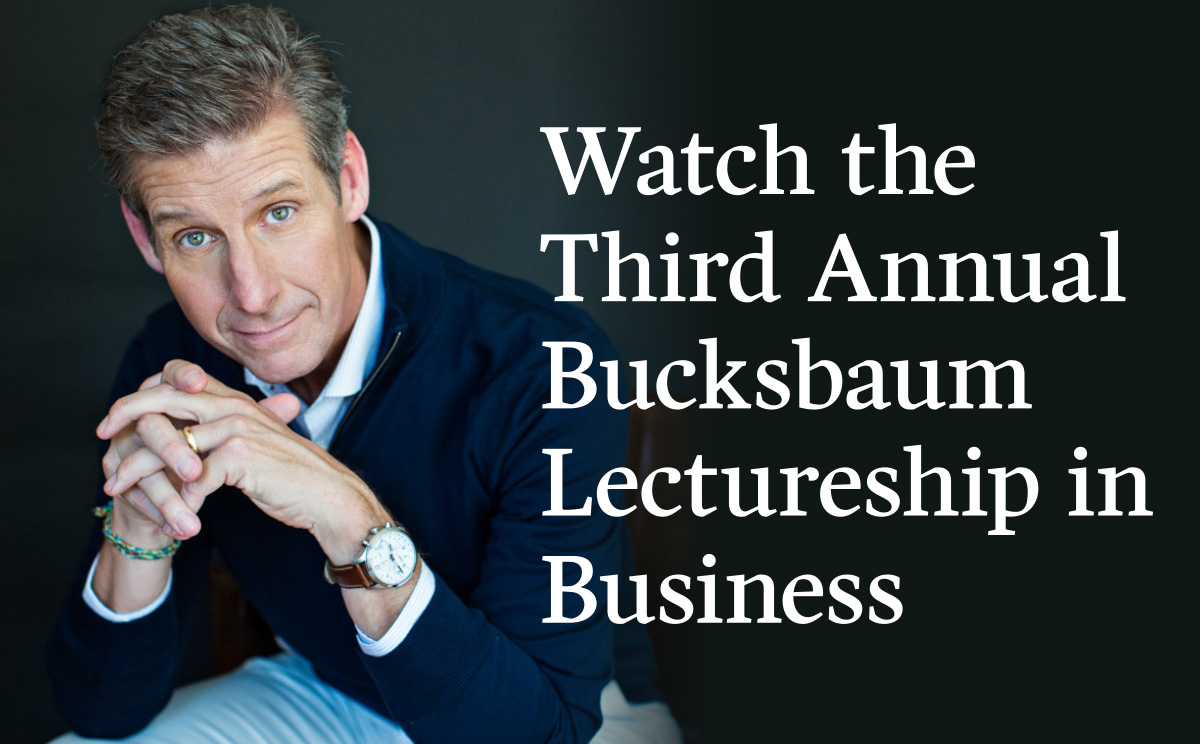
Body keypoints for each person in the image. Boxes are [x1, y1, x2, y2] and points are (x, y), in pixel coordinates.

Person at [46, 5, 681, 743]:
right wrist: (135, 530)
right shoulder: (174, 363)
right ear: (146, 240)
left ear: (347, 179)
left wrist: (347, 515)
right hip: (331, 690)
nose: (251, 294)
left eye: (278, 212)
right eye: (194, 236)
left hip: (570, 715)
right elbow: (103, 712)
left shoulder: (540, 360)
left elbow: (540, 729)